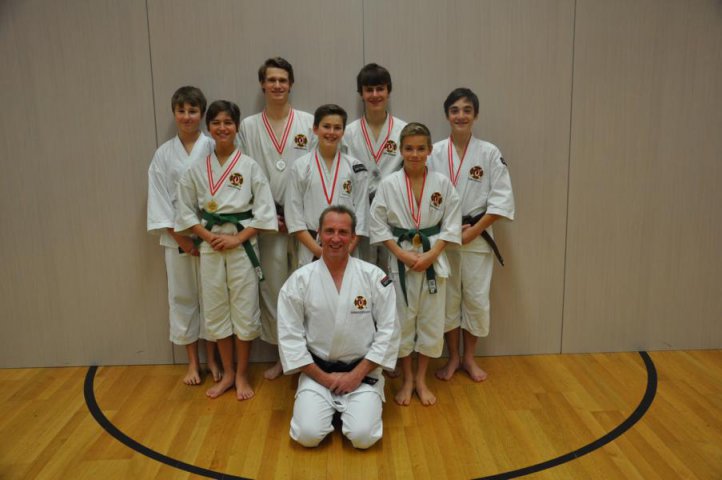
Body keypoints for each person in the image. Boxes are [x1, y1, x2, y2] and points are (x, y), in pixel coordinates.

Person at [176, 100, 278, 400]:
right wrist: (207, 236)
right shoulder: (196, 170)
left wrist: (238, 238)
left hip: (241, 245)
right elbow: (185, 212)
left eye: (228, 123)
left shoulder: (250, 167)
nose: (222, 128)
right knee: (216, 309)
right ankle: (229, 373)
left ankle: (242, 374)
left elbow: (265, 212)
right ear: (209, 127)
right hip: (210, 247)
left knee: (244, 309)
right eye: (217, 123)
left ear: (236, 127)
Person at [277, 206, 399, 449]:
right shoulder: (299, 281)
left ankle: (348, 409)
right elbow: (290, 339)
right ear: (319, 234)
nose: (335, 238)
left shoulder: (374, 277)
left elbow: (389, 331)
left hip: (362, 374)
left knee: (363, 438)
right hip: (317, 373)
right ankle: (328, 408)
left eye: (343, 232)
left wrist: (356, 376)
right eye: (329, 231)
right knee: (307, 435)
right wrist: (323, 378)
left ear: (353, 237)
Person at [369, 122, 461, 406]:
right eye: (409, 148)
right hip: (401, 260)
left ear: (430, 150)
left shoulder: (442, 184)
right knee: (403, 320)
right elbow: (377, 224)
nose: (415, 154)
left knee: (431, 320)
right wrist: (402, 254)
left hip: (434, 257)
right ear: (400, 150)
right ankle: (407, 379)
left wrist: (432, 255)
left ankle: (421, 379)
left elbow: (452, 223)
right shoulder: (389, 184)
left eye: (421, 148)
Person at [428, 88, 515, 382]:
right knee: (449, 300)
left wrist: (474, 231)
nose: (461, 115)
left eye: (467, 110)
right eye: (455, 110)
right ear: (447, 115)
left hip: (477, 237)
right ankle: (453, 357)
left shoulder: (489, 153)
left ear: (475, 115)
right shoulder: (434, 152)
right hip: (444, 237)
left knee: (476, 299)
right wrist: (450, 232)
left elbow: (501, 201)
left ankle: (469, 358)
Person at [238, 57, 314, 380]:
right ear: (262, 85)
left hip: (304, 222)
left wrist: (295, 217)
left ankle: (309, 355)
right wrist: (269, 215)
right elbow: (244, 173)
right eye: (271, 80)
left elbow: (316, 172)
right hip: (267, 223)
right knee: (273, 290)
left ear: (291, 84)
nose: (277, 85)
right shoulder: (248, 126)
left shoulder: (309, 122)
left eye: (283, 80)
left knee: (306, 289)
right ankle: (284, 356)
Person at [146, 86, 219, 386]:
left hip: (213, 236)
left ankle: (213, 359)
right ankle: (193, 362)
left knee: (213, 298)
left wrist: (209, 234)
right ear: (174, 113)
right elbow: (159, 200)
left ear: (202, 114)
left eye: (193, 111)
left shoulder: (213, 146)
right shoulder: (163, 155)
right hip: (176, 238)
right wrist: (181, 239)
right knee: (182, 297)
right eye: (181, 111)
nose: (187, 116)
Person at [285, 104, 369, 266]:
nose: (331, 132)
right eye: (326, 126)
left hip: (347, 248)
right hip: (311, 248)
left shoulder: (356, 168)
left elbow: (362, 214)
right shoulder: (300, 167)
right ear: (315, 129)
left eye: (337, 128)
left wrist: (346, 251)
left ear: (343, 132)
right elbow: (294, 217)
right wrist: (319, 252)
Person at [343, 63, 407, 266]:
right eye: (369, 90)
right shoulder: (348, 133)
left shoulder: (403, 131)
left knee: (393, 269)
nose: (375, 94)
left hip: (394, 211)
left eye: (380, 89)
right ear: (361, 94)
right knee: (363, 268)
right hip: (360, 211)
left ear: (389, 91)